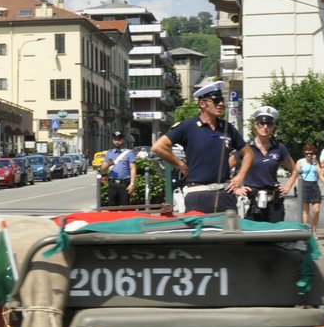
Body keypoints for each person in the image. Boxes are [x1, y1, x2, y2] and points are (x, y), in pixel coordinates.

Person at [152, 80, 251, 214]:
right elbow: (158, 147)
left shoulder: (228, 128)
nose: (221, 104)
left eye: (222, 100)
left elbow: (248, 153)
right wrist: (180, 164)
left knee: (229, 234)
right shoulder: (189, 127)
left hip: (224, 195)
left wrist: (240, 177)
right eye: (216, 101)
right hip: (197, 195)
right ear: (203, 104)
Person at [238, 105, 297, 223]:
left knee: (275, 238)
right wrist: (236, 188)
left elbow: (294, 170)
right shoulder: (246, 147)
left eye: (269, 124)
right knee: (252, 239)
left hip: (273, 202)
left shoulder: (279, 148)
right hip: (252, 201)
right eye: (262, 123)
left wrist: (287, 187)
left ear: (273, 127)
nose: (265, 127)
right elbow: (225, 167)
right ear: (256, 125)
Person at [100, 130, 137, 207]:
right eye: (115, 140)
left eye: (119, 140)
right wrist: (108, 165)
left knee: (125, 208)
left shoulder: (129, 153)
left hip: (124, 184)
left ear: (122, 141)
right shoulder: (109, 153)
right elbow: (103, 169)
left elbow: (133, 169)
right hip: (112, 184)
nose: (117, 142)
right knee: (112, 208)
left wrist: (132, 184)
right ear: (113, 141)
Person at [297, 142, 323, 232]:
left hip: (314, 185)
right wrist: (297, 188)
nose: (308, 155)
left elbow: (320, 173)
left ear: (313, 154)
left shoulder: (315, 162)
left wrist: (315, 162)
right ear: (304, 153)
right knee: (305, 210)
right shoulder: (300, 162)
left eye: (310, 153)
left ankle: (314, 230)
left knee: (316, 210)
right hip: (304, 184)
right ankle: (307, 230)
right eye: (306, 153)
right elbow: (296, 175)